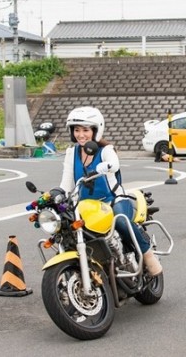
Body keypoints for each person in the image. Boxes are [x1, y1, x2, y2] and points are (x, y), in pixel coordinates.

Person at [59, 106, 162, 276]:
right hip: (87, 206)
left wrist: (103, 167)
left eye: (85, 130)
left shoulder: (106, 150)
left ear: (96, 130)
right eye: (76, 130)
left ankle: (149, 256)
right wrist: (57, 193)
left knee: (121, 221)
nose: (80, 134)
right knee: (66, 227)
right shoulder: (71, 153)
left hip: (113, 200)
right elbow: (66, 182)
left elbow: (114, 164)